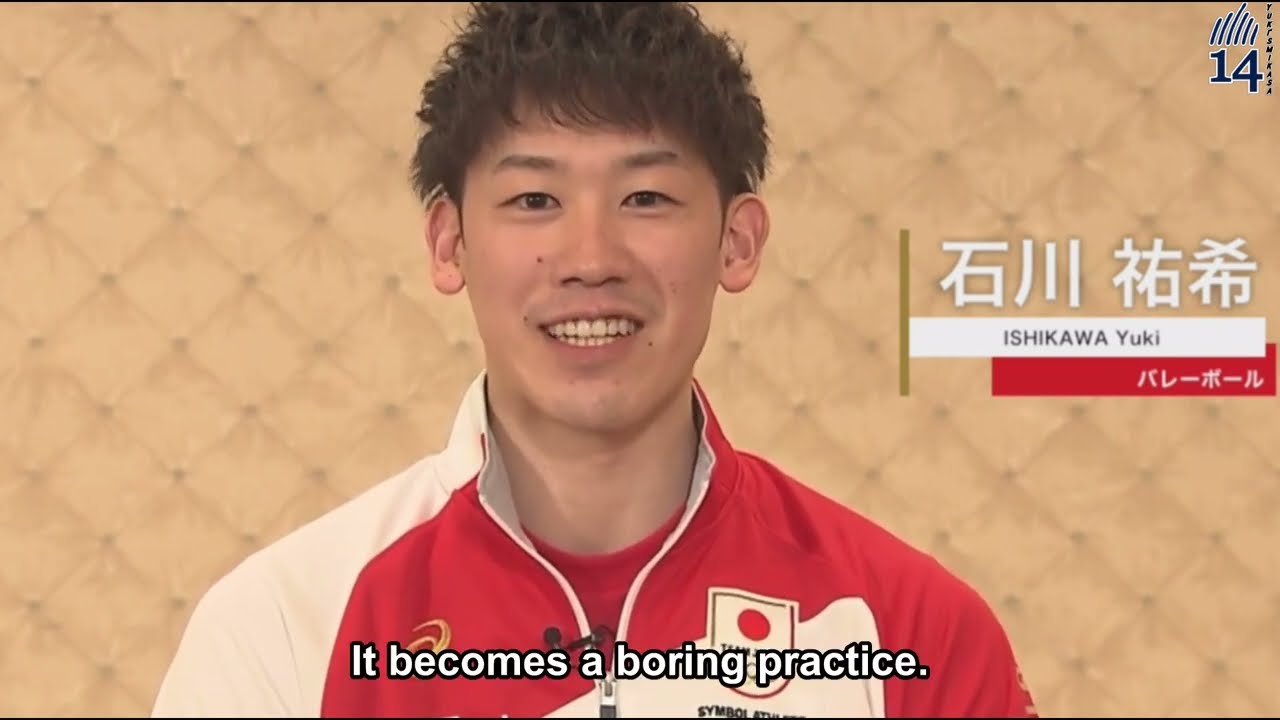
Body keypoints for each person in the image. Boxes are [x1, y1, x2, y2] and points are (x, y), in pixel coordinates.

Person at [152, 2, 1039, 718]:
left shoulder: (910, 629)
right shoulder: (284, 627)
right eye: (534, 199)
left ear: (737, 243)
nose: (590, 257)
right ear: (450, 243)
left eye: (645, 197)